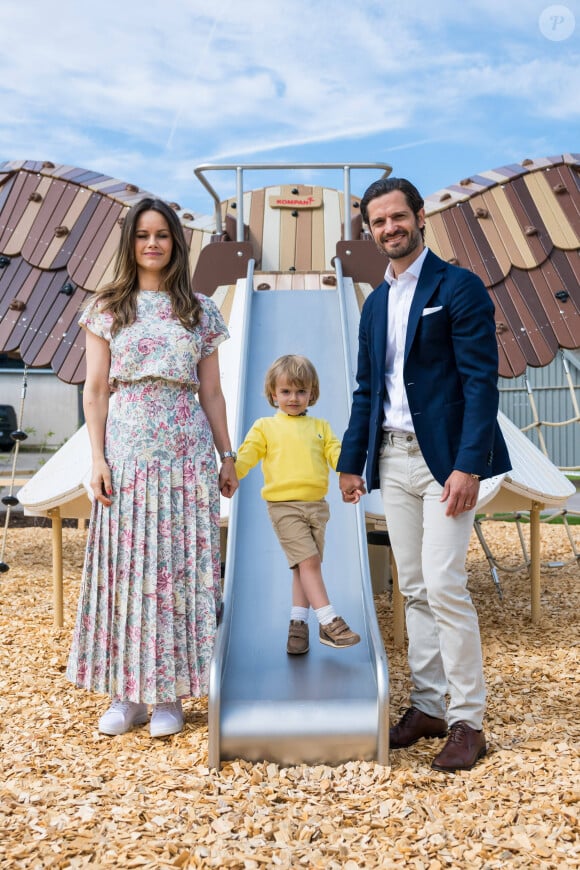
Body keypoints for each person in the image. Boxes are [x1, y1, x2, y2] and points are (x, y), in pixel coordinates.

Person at [337, 177, 511, 772]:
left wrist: (468, 465)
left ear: (419, 217)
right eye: (378, 222)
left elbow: (482, 384)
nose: (390, 228)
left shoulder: (458, 287)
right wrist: (350, 462)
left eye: (398, 217)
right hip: (391, 456)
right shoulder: (375, 303)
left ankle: (468, 720)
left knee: (443, 586)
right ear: (370, 230)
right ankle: (429, 705)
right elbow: (368, 390)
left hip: (444, 463)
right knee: (411, 589)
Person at [66, 197, 238, 738]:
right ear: (130, 241)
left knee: (180, 571)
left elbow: (211, 390)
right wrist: (96, 458)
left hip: (186, 453)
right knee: (128, 568)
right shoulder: (108, 307)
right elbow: (95, 389)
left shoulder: (200, 309)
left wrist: (226, 453)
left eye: (162, 234)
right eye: (143, 235)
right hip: (128, 450)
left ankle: (170, 695)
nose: (153, 244)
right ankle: (127, 693)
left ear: (176, 243)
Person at [235, 354, 360, 654]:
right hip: (284, 507)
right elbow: (247, 455)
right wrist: (230, 474)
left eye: (301, 391)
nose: (293, 398)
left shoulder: (321, 426)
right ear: (273, 393)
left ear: (312, 394)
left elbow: (336, 454)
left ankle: (298, 624)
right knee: (309, 562)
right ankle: (329, 622)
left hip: (317, 507)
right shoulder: (265, 427)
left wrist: (349, 476)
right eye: (286, 391)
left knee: (301, 568)